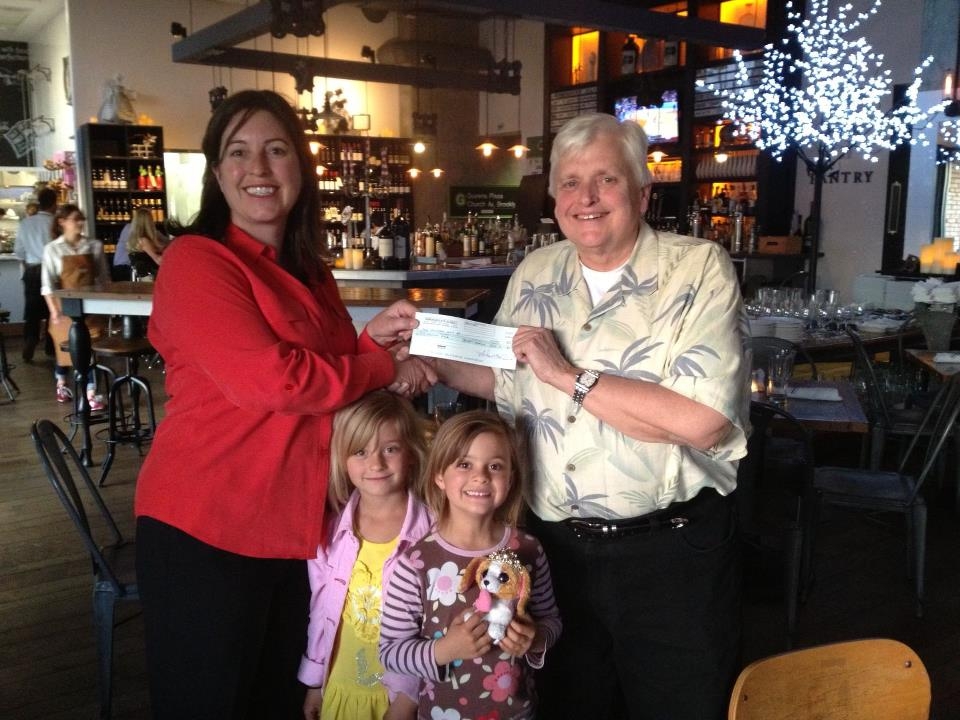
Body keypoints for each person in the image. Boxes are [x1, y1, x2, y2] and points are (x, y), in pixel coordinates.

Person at [430, 112, 750, 720]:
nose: (587, 198)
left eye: (606, 179)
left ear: (642, 193)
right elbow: (505, 377)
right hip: (554, 554)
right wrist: (426, 361)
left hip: (671, 554)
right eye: (572, 183)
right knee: (571, 705)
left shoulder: (697, 268)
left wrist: (567, 376)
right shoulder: (536, 271)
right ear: (555, 200)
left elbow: (704, 422)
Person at [133, 89, 435, 719]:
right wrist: (384, 366)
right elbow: (274, 382)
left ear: (300, 165)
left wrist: (370, 344)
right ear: (217, 173)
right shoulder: (197, 261)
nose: (259, 168)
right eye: (238, 152)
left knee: (280, 703)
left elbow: (330, 377)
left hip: (299, 529)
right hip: (209, 527)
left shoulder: (311, 271)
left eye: (276, 150)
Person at [379, 410, 562, 720]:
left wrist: (535, 639)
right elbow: (390, 653)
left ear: (510, 478)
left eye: (495, 466)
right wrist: (445, 650)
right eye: (465, 464)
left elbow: (551, 620)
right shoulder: (415, 563)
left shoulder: (529, 549)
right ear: (439, 475)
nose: (481, 476)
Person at [300, 391, 432, 720]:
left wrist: (407, 700)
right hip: (340, 690)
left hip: (405, 700)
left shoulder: (435, 533)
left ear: (411, 453)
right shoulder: (329, 532)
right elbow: (320, 607)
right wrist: (314, 682)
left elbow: (437, 625)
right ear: (342, 458)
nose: (376, 464)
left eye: (390, 449)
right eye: (360, 451)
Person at [40, 204, 110, 408]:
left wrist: (105, 305)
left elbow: (103, 278)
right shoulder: (52, 249)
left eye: (81, 219)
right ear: (62, 222)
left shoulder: (94, 246)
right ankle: (61, 385)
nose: (80, 223)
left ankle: (91, 393)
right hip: (64, 307)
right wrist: (54, 311)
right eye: (75, 219)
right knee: (65, 349)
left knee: (91, 350)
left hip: (91, 306)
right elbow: (47, 284)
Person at [13, 186, 57, 361]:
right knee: (53, 310)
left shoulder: (26, 223)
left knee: (32, 310)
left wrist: (28, 265)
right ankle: (51, 345)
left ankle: (30, 338)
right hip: (52, 270)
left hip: (32, 269)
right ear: (54, 203)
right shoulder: (55, 223)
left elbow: (19, 251)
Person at [115, 206, 168, 280]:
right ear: (148, 222)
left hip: (136, 276)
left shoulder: (136, 238)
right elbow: (158, 260)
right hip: (148, 278)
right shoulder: (143, 240)